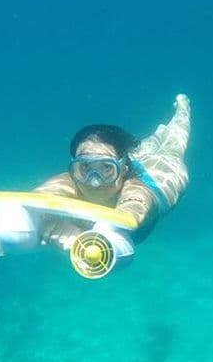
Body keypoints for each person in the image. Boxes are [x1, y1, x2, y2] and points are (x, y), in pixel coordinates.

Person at [33, 93, 191, 247]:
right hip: (124, 160)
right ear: (74, 168)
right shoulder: (72, 180)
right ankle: (148, 140)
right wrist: (51, 220)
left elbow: (132, 208)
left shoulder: (137, 190)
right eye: (85, 167)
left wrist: (82, 235)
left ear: (124, 170)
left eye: (106, 168)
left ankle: (183, 111)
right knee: (143, 146)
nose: (94, 181)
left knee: (173, 145)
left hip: (159, 172)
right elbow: (37, 198)